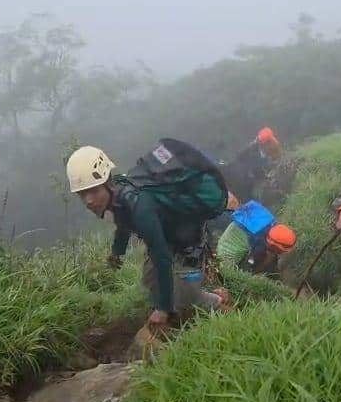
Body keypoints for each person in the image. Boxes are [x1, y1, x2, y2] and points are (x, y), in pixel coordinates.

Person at [65, 143, 232, 335]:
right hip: (168, 234)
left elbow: (161, 256)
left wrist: (163, 309)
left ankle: (220, 305)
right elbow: (122, 224)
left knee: (187, 297)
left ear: (108, 183)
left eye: (94, 191)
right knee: (150, 281)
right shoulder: (119, 195)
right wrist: (117, 253)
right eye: (82, 194)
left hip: (187, 240)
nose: (88, 200)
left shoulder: (140, 206)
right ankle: (173, 318)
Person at [215, 200, 297, 277]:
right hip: (228, 252)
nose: (280, 253)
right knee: (226, 273)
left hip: (232, 232)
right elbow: (248, 267)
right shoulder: (259, 246)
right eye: (280, 251)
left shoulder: (270, 223)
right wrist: (261, 266)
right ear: (273, 246)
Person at [222, 127, 283, 202]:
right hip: (241, 183)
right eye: (269, 142)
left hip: (242, 178)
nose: (273, 143)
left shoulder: (260, 150)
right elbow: (255, 170)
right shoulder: (253, 153)